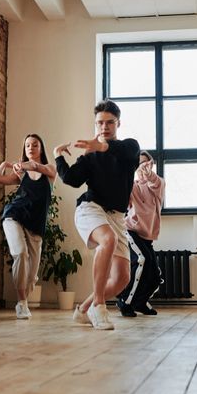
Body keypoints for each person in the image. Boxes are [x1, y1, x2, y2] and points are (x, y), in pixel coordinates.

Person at [54, 100, 140, 330]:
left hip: (117, 217)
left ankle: (83, 309)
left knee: (122, 278)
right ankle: (99, 307)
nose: (105, 127)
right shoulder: (90, 157)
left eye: (110, 122)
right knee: (107, 239)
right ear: (96, 124)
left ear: (118, 123)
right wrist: (58, 156)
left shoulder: (129, 147)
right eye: (100, 123)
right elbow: (71, 179)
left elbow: (125, 154)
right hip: (90, 208)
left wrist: (101, 147)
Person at [0, 134, 56, 320]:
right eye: (27, 145)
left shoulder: (50, 171)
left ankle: (24, 298)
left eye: (35, 144)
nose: (30, 147)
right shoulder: (21, 172)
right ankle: (22, 304)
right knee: (20, 253)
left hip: (36, 225)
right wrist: (5, 164)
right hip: (14, 216)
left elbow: (36, 166)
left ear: (41, 148)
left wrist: (24, 165)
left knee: (31, 274)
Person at [117, 151, 165, 317]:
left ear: (151, 164)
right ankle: (125, 301)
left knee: (154, 276)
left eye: (146, 162)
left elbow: (154, 181)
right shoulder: (133, 185)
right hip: (131, 231)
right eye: (139, 163)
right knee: (142, 260)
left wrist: (148, 173)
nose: (143, 166)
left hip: (147, 236)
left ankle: (140, 302)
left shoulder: (158, 184)